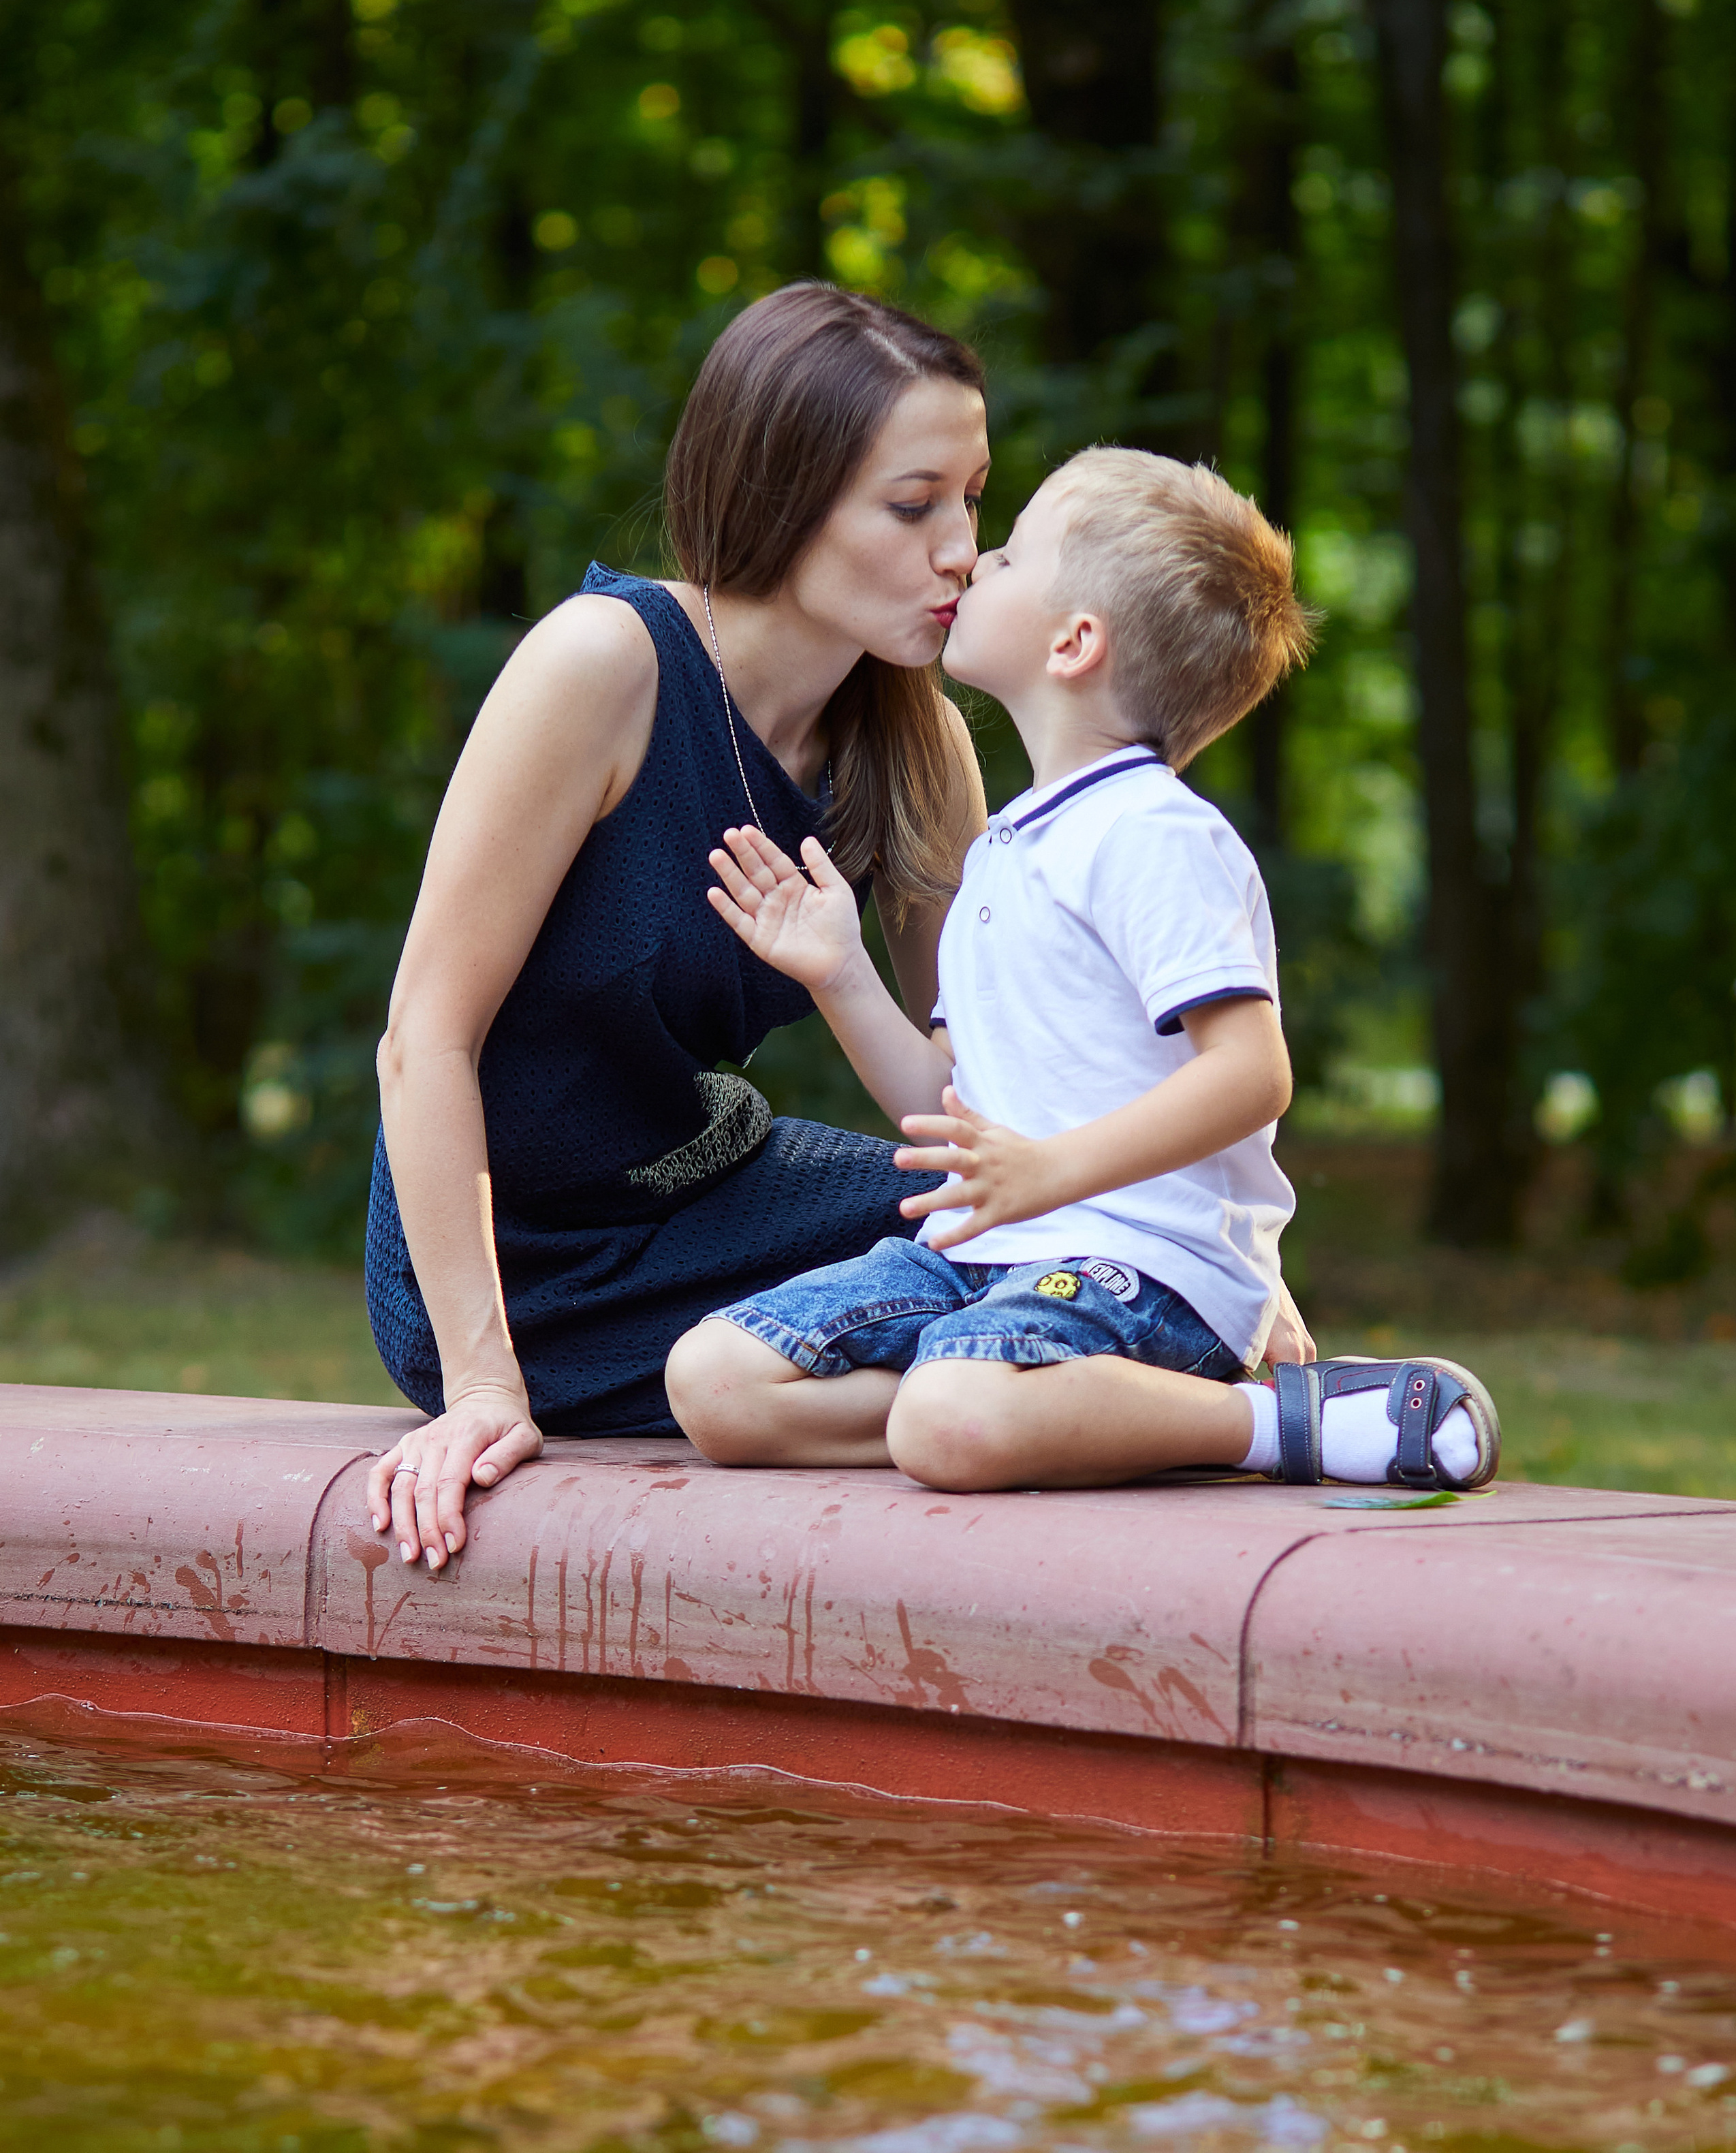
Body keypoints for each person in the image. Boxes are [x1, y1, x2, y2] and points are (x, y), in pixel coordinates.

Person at [666, 449, 1501, 1494]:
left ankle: (1281, 1421)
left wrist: (1050, 1172)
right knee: (715, 1382)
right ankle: (1034, 1415)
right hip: (985, 1258)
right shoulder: (1004, 851)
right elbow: (945, 1103)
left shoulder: (1152, 833)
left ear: (1074, 642)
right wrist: (840, 972)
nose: (975, 561)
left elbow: (1252, 1074)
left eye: (1011, 556)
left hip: (1138, 1266)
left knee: (949, 1414)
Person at [364, 284, 991, 1570]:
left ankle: (1136, 1395)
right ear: (782, 496)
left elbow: (987, 1093)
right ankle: (1034, 1399)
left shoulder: (919, 743)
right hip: (513, 1274)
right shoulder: (601, 665)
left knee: (1034, 1251)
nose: (962, 554)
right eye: (914, 505)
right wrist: (481, 1386)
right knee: (1026, 1302)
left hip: (717, 1191)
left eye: (975, 500)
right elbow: (424, 1037)